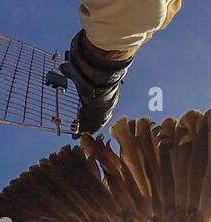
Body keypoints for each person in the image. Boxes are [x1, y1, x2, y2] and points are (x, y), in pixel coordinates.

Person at [60, 0, 183, 136]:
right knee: (85, 59)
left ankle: (98, 115)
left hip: (104, 62)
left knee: (96, 99)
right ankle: (78, 70)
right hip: (96, 43)